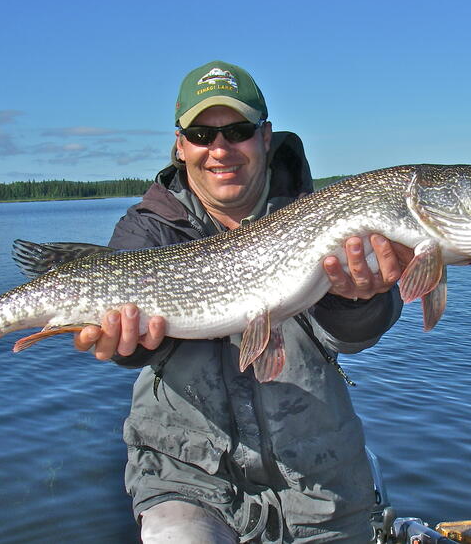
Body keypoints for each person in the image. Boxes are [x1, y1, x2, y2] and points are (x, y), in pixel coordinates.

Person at [74, 61, 412, 543]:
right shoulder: (147, 230)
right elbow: (129, 342)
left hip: (322, 482)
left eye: (237, 131)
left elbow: (355, 334)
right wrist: (127, 344)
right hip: (186, 482)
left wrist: (357, 300)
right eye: (201, 134)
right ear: (179, 144)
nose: (219, 150)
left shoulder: (320, 215)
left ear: (266, 137)